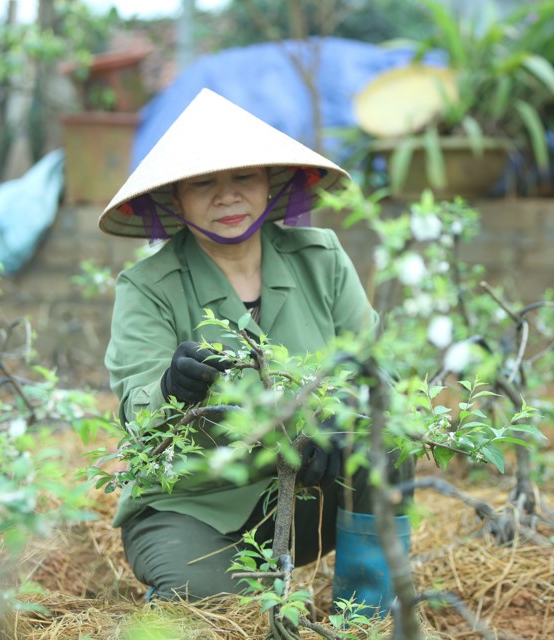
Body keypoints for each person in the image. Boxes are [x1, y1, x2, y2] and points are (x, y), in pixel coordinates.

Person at [100, 89, 410, 607]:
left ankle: (368, 608)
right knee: (222, 608)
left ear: (271, 183)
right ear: (176, 199)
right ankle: (217, 591)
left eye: (243, 177)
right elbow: (139, 412)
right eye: (204, 183)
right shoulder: (148, 286)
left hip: (310, 487)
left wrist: (344, 418)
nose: (227, 197)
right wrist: (170, 388)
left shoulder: (321, 259)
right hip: (195, 505)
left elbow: (380, 375)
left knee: (389, 437)